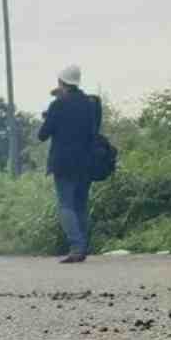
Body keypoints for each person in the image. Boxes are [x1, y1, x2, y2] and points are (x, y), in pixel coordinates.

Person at [39, 65, 101, 263]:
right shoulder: (90, 104)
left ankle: (76, 247)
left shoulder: (58, 105)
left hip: (64, 163)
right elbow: (94, 129)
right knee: (81, 205)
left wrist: (49, 117)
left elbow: (42, 134)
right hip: (86, 162)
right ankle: (82, 246)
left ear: (62, 83)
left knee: (66, 205)